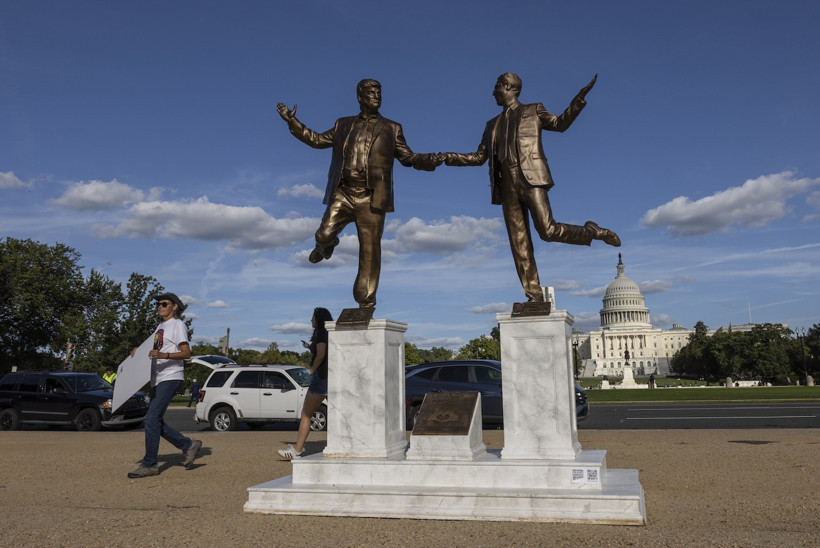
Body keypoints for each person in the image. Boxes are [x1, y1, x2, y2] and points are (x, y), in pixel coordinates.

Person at [441, 73, 621, 303]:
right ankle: (534, 295)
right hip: (506, 186)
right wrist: (448, 157)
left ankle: (594, 232)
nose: (493, 92)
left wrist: (578, 100)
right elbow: (478, 157)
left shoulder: (534, 110)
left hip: (531, 178)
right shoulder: (491, 125)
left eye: (496, 87)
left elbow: (560, 124)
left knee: (548, 231)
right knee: (519, 242)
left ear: (508, 87)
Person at [277, 79, 440, 309]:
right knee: (323, 234)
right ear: (360, 98)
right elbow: (315, 140)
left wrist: (429, 161)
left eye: (379, 92)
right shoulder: (343, 124)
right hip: (343, 192)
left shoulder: (392, 128)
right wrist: (292, 121)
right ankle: (326, 245)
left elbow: (408, 157)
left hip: (371, 197)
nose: (376, 96)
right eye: (371, 93)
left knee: (370, 251)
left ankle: (365, 301)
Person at [127, 292, 202, 478]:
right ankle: (188, 445)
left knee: (152, 418)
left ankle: (150, 464)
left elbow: (186, 353)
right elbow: (153, 350)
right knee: (154, 421)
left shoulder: (177, 325)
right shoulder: (160, 327)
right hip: (157, 378)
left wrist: (164, 356)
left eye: (164, 303)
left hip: (171, 376)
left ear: (174, 306)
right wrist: (139, 351)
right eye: (157, 304)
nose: (159, 306)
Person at [278, 307, 333, 460]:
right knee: (337, 414)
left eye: (313, 317)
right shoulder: (329, 333)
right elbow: (322, 352)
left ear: (319, 319)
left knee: (306, 414)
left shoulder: (321, 333)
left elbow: (321, 354)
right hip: (331, 377)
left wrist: (312, 370)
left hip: (320, 378)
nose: (311, 320)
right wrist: (309, 348)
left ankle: (297, 450)